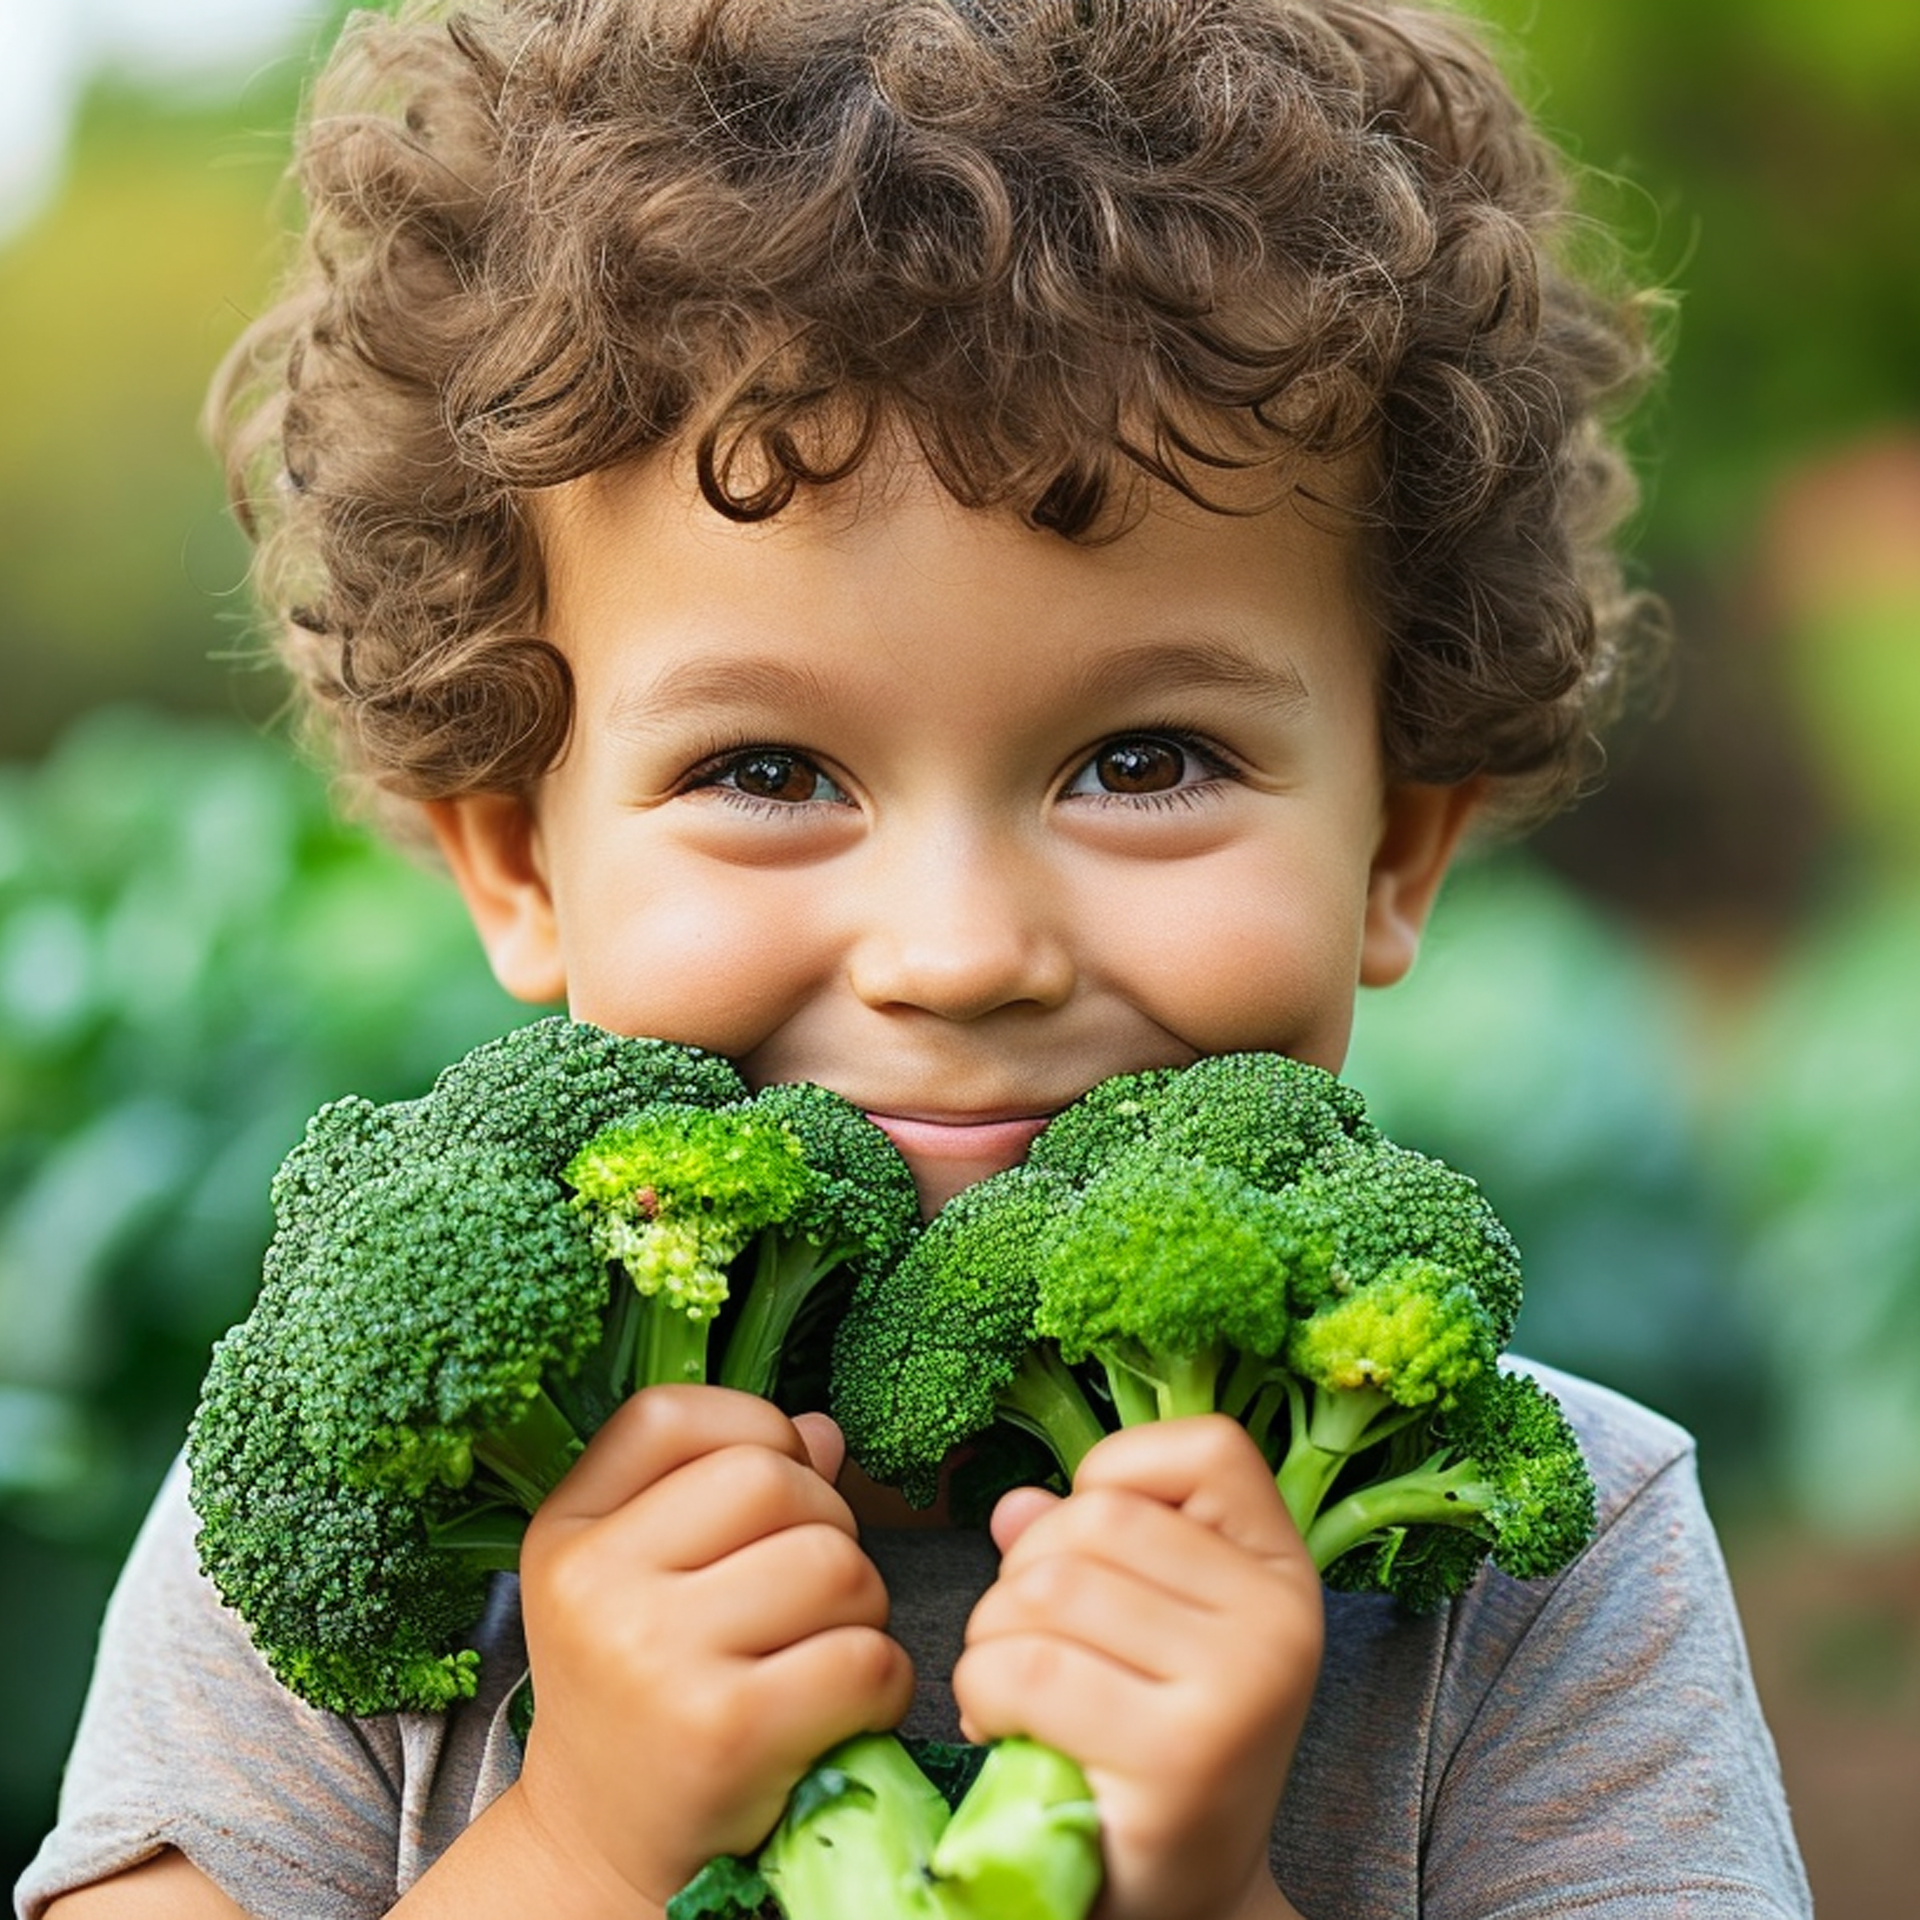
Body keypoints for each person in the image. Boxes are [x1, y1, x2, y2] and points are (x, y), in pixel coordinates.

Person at [17, 2, 1811, 1916]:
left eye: (1147, 762)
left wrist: (1205, 1894)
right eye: (766, 770)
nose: (959, 956)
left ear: (1400, 841)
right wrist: (577, 1848)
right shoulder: (358, 1501)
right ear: (512, 854)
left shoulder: (1544, 1561)